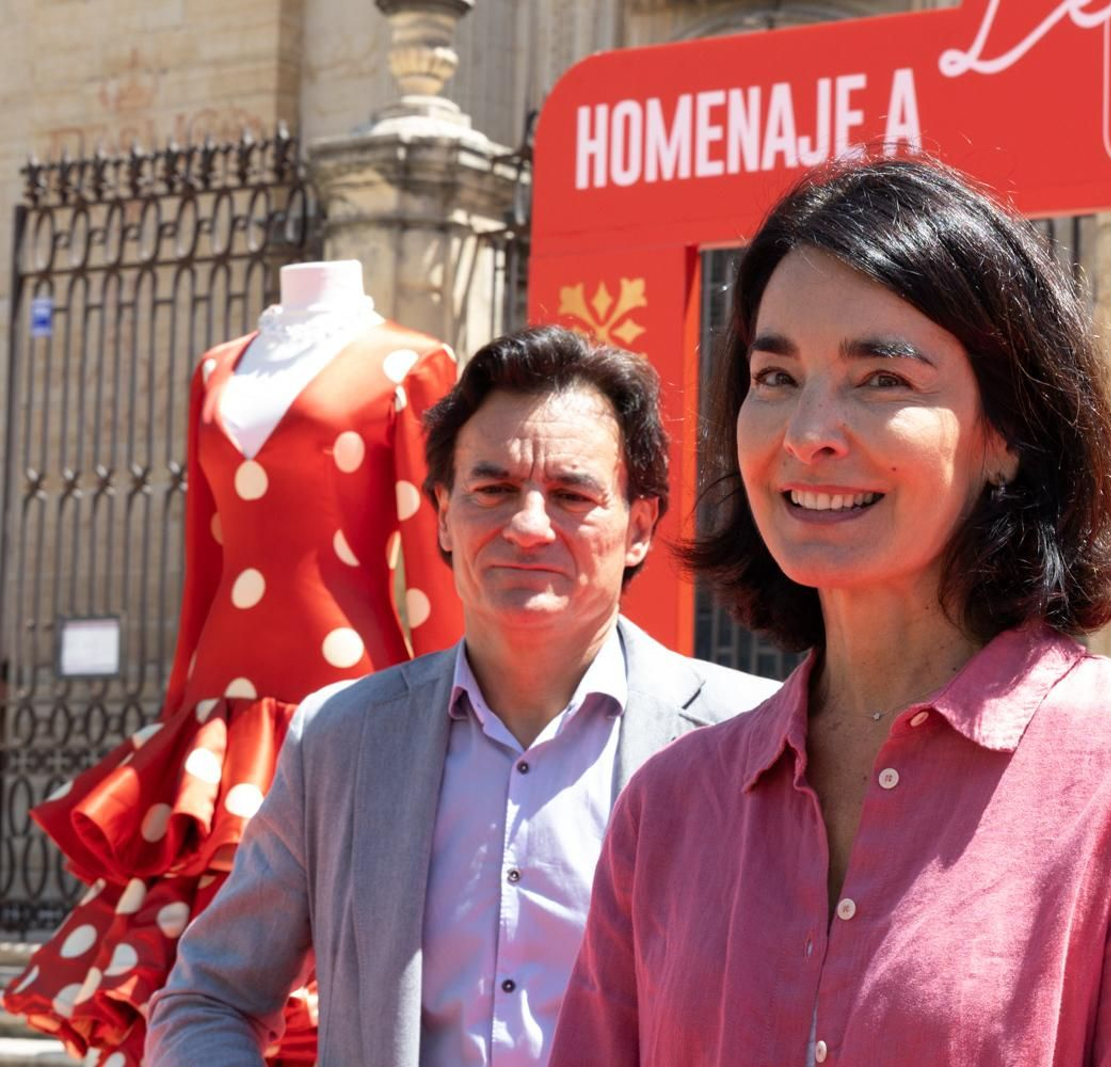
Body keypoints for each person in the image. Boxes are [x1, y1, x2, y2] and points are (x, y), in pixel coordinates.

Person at [549, 156, 1111, 1066]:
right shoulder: (669, 806)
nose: (809, 430)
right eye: (774, 377)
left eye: (881, 379)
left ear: (1006, 434)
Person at [144, 325, 779, 1066]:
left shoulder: (748, 738)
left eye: (572, 494)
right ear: (443, 514)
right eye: (493, 489)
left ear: (639, 527)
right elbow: (210, 995)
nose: (529, 526)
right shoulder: (340, 742)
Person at [5, 261, 463, 1064]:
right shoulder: (214, 368)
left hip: (346, 687)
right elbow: (205, 564)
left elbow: (429, 572)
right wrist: (178, 707)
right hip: (215, 717)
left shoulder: (411, 363)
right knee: (194, 951)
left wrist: (450, 717)